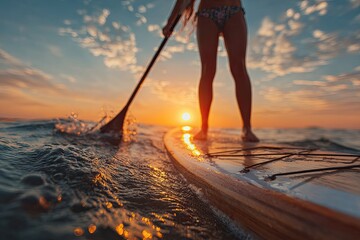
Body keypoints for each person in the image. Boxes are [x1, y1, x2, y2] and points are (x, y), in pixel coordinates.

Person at [163, 0, 259, 142]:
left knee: (239, 67)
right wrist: (170, 21)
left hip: (233, 10)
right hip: (207, 13)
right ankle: (204, 127)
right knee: (208, 69)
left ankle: (247, 128)